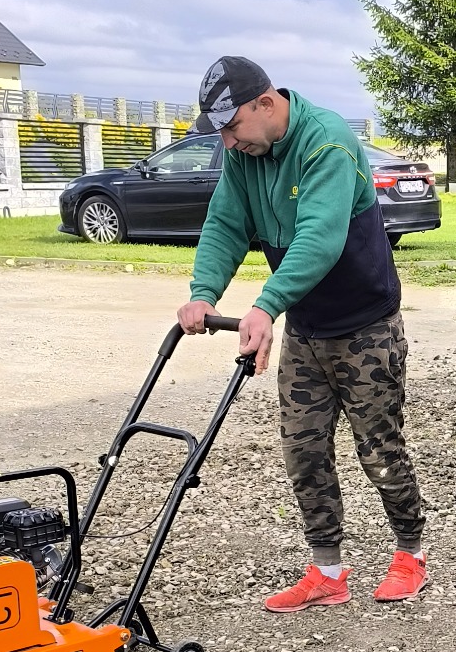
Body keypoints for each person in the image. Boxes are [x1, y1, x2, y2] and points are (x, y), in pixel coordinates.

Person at [176, 55, 428, 609]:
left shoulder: (327, 142)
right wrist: (202, 294)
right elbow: (225, 224)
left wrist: (264, 307)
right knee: (304, 450)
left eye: (233, 127)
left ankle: (410, 555)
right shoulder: (246, 155)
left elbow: (318, 240)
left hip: (365, 325)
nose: (229, 143)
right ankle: (328, 573)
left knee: (379, 448)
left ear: (266, 104)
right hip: (307, 329)